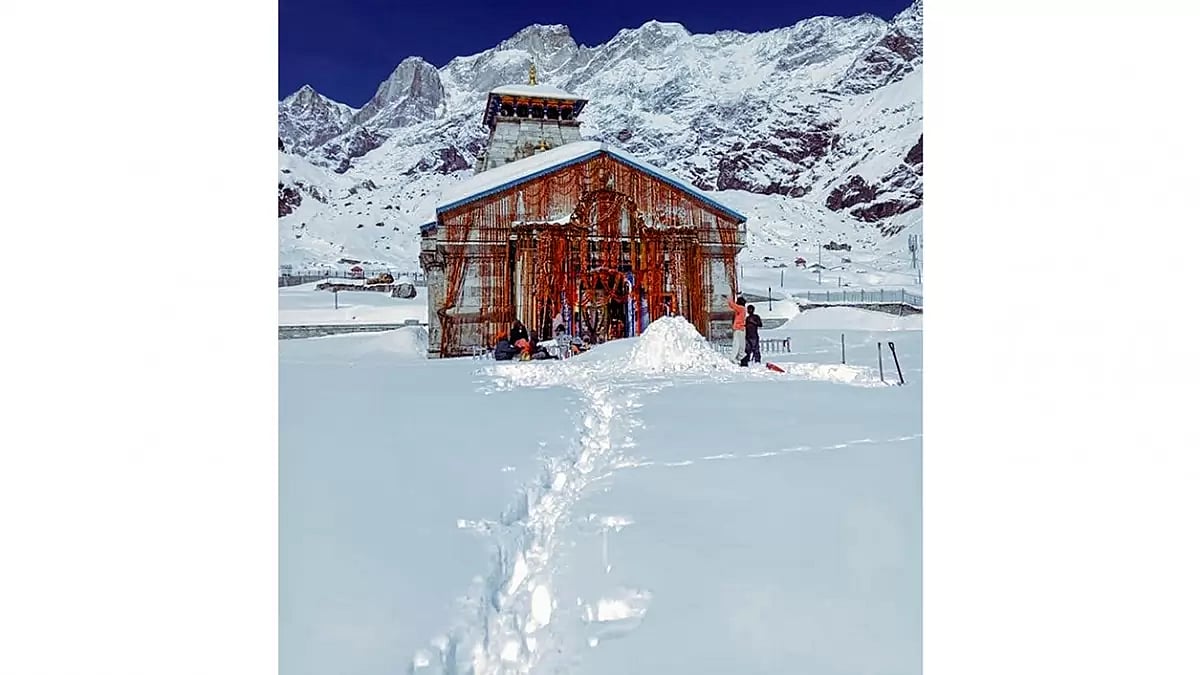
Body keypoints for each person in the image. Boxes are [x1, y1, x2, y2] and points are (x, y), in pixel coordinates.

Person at [726, 294, 747, 365]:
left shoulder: (741, 308)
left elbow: (733, 305)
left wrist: (729, 298)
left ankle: (733, 358)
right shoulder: (743, 309)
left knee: (736, 344)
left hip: (738, 329)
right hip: (741, 329)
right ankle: (741, 357)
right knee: (741, 345)